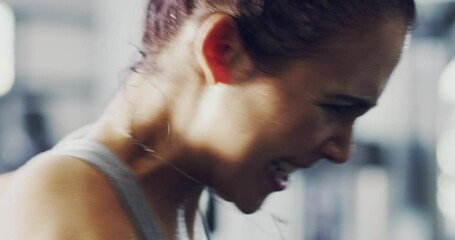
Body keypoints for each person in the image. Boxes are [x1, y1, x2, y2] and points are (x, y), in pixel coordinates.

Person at [0, 0, 416, 239]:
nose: (342, 150)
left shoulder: (169, 203)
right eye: (334, 108)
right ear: (223, 49)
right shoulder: (71, 215)